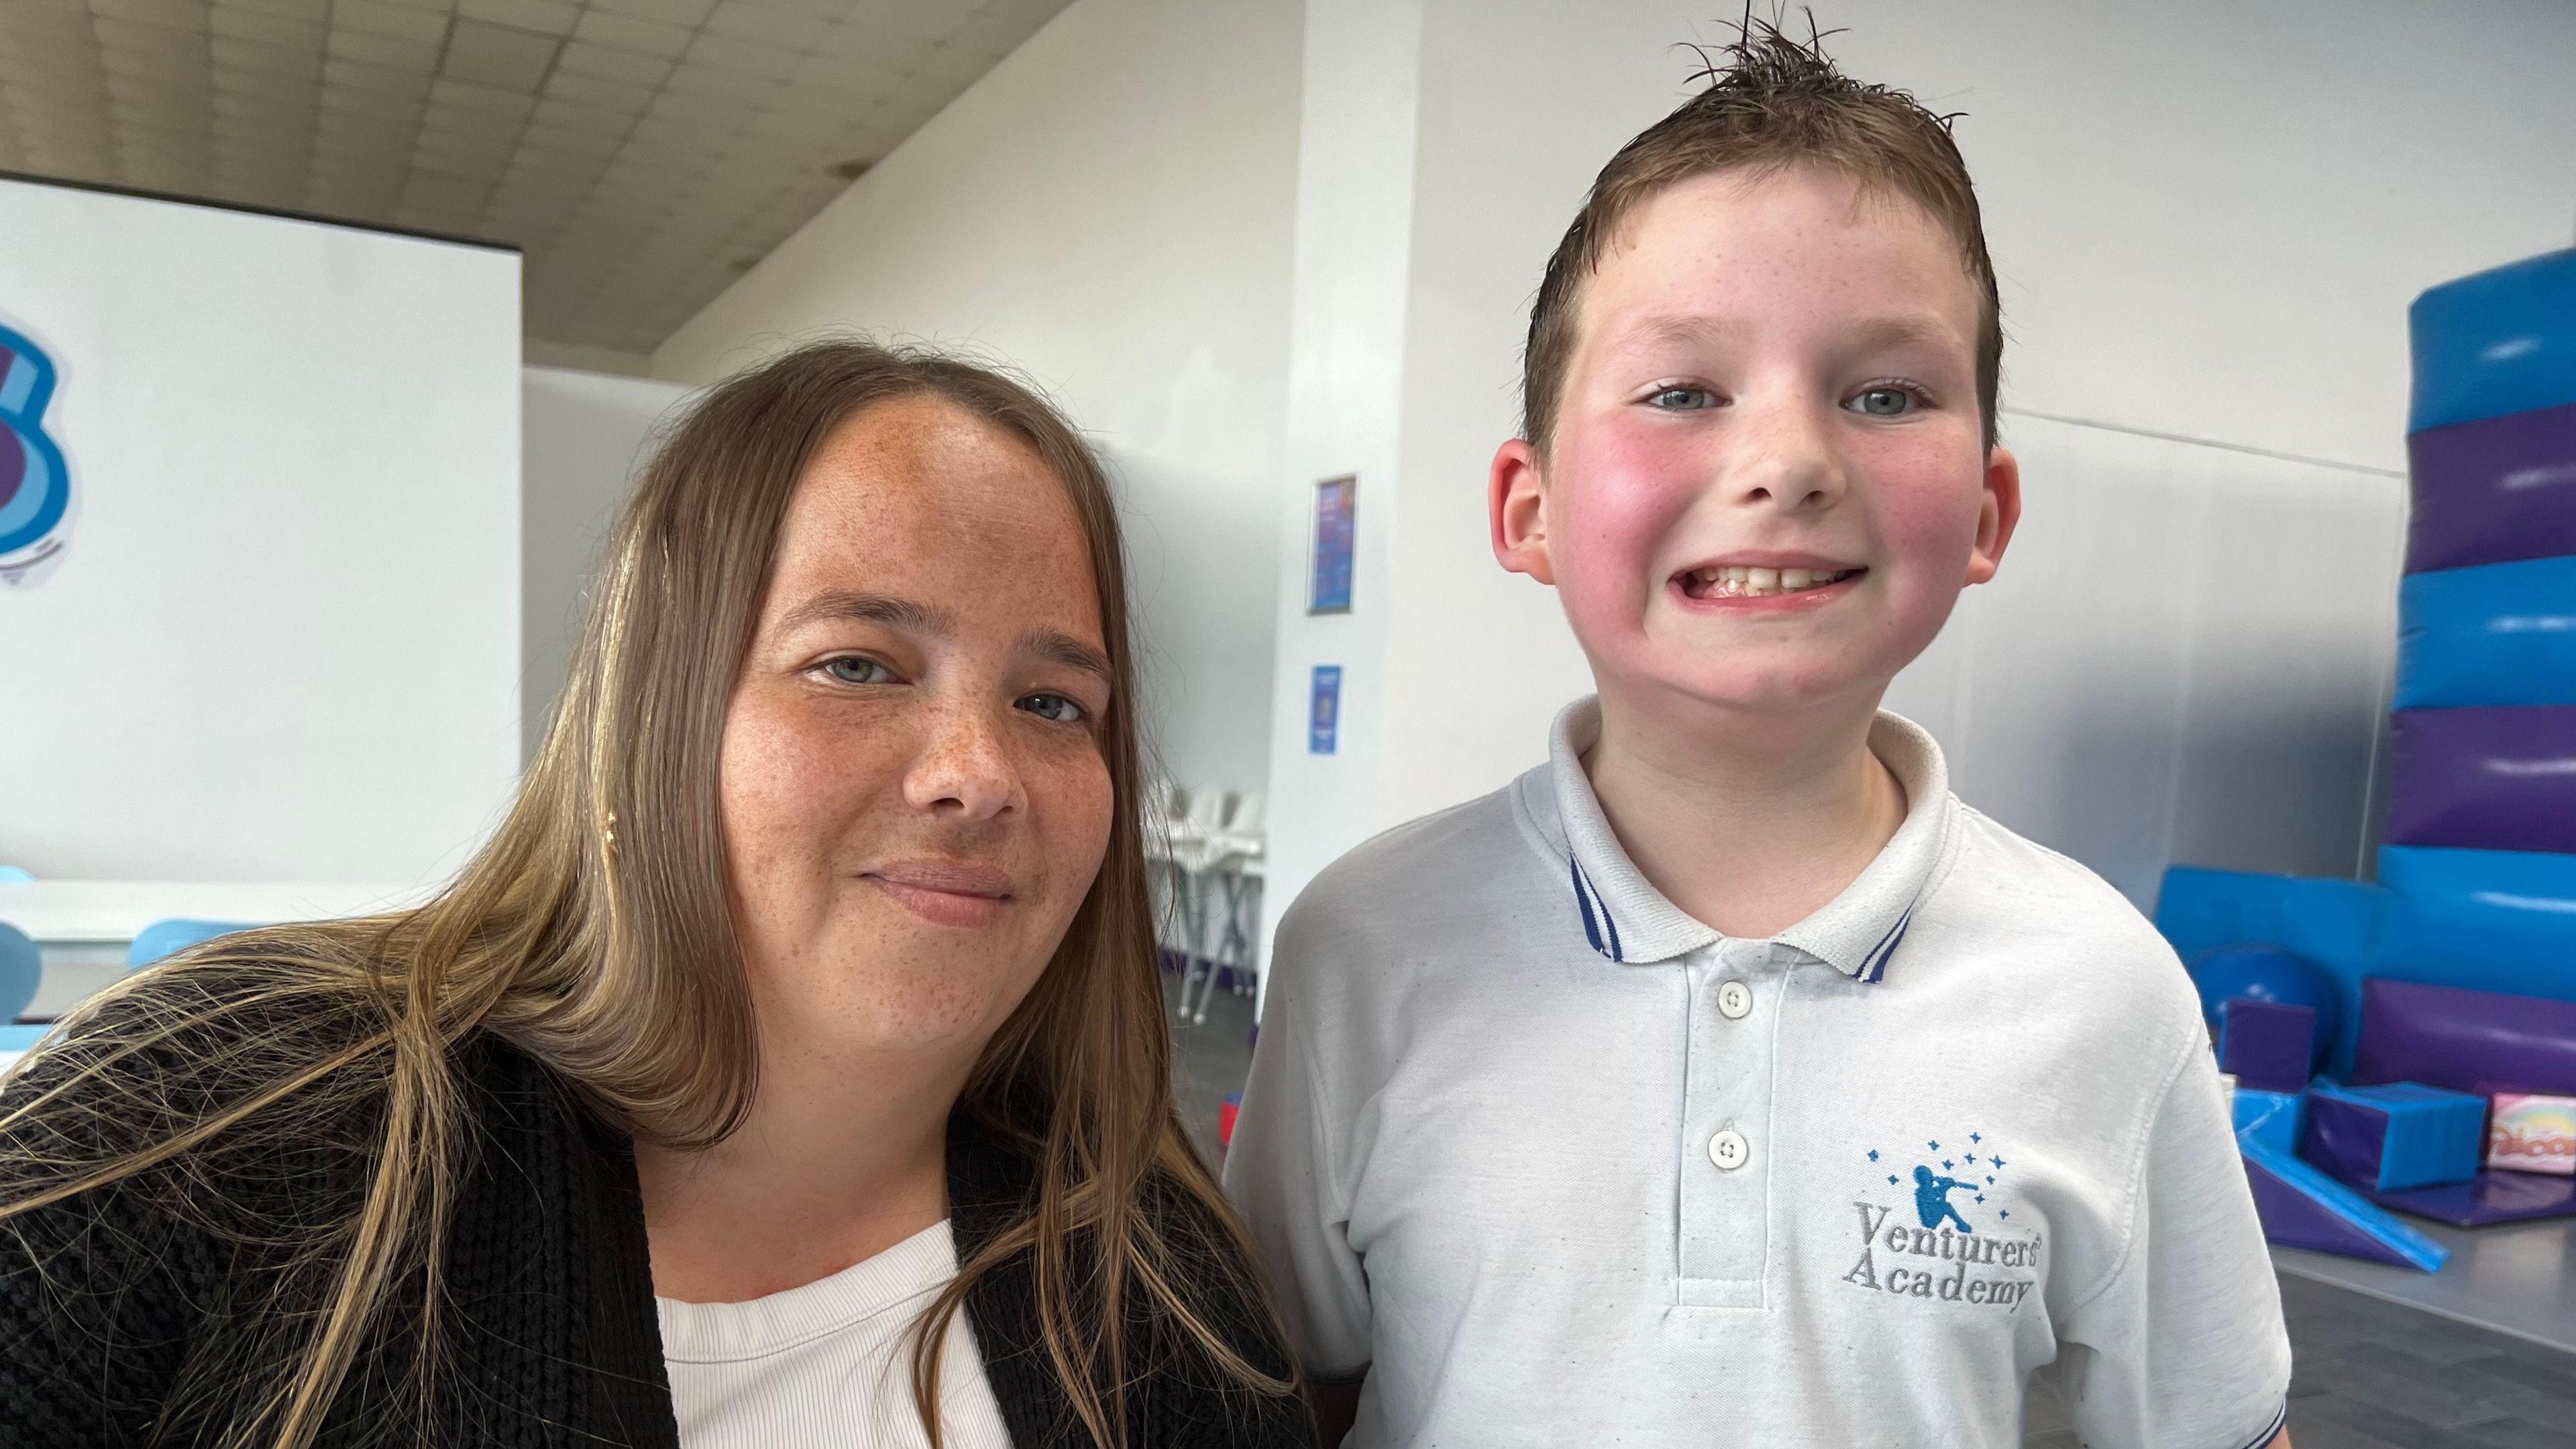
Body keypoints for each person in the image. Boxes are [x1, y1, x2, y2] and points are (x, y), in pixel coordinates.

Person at [1225, 23, 2292, 1449]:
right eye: (1682, 392)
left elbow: (2216, 1432)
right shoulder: (1365, 946)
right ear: (1526, 509)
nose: (1789, 460)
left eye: (1887, 393)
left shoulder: (2103, 993)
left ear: (1985, 513)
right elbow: (1293, 1388)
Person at [0, 341, 1316, 1449]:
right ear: (652, 718)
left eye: (1052, 702)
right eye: (856, 664)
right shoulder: (219, 1127)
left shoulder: (1159, 1308)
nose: (979, 774)